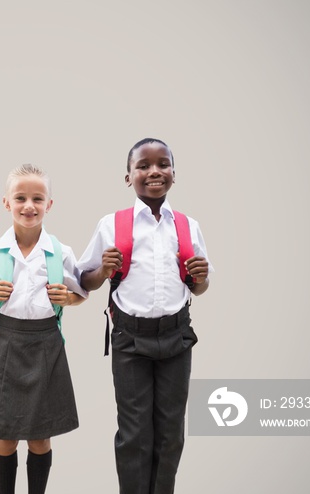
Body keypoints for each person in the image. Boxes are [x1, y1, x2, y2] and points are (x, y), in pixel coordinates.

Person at [78, 138, 212, 494]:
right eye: (143, 166)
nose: (154, 171)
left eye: (162, 164)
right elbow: (84, 280)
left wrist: (201, 277)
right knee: (135, 433)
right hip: (130, 339)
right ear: (128, 177)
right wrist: (103, 270)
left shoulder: (187, 225)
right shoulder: (111, 224)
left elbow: (198, 287)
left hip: (177, 337)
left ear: (173, 173)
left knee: (170, 433)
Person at [0, 164, 86, 494]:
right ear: (6, 203)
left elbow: (81, 294)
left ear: (49, 205)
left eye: (37, 198)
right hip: (6, 342)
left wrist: (67, 299)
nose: (29, 206)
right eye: (20, 198)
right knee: (5, 434)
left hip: (46, 344)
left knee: (41, 435)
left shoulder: (61, 253)